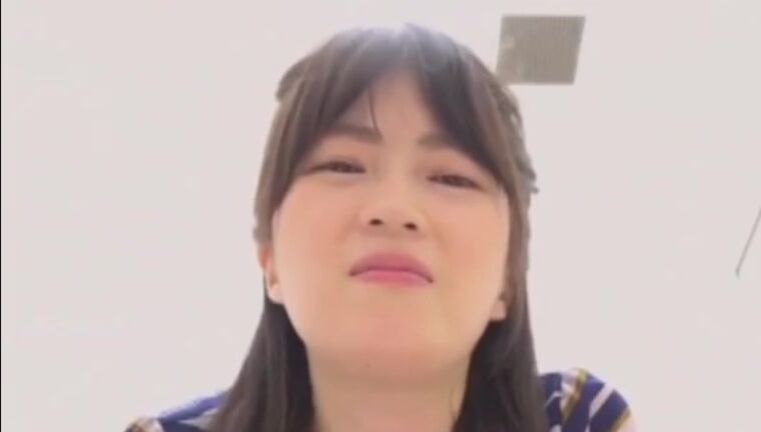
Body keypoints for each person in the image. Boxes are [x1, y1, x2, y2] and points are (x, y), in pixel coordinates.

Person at [125, 24, 634, 432]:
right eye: (342, 166)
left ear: (508, 276)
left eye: (451, 177)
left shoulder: (577, 420)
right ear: (270, 259)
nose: (394, 209)